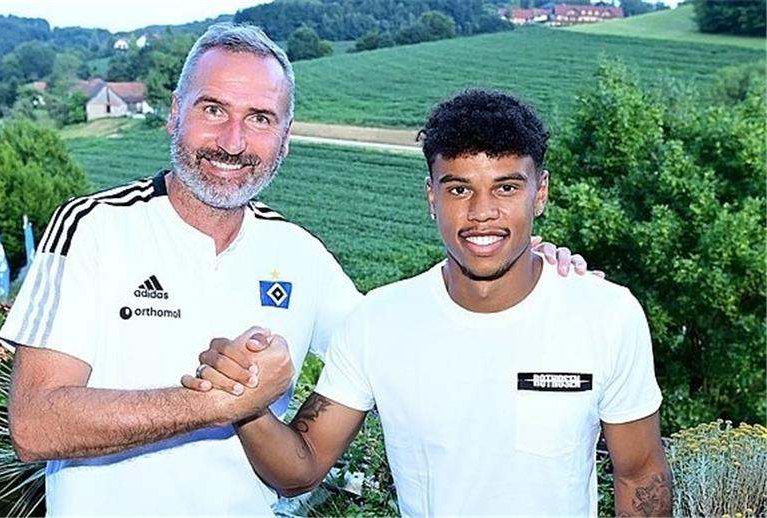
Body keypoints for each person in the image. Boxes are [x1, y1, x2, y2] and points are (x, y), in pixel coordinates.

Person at [0, 24, 586, 516]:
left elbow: (405, 341)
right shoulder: (94, 227)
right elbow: (36, 424)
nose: (233, 141)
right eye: (213, 110)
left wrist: (527, 272)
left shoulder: (299, 254)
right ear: (175, 114)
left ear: (285, 137)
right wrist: (218, 404)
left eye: (259, 118)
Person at [188, 89, 672, 516]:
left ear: (539, 193)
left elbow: (641, 477)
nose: (482, 214)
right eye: (459, 189)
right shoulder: (378, 321)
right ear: (431, 197)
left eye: (506, 187)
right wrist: (244, 405)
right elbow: (301, 469)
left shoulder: (607, 315)